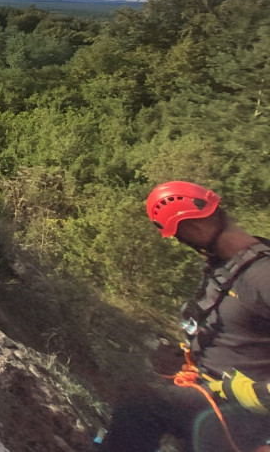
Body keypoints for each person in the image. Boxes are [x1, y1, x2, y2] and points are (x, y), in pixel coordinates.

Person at [99, 181, 270, 452]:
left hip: (245, 413)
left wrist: (261, 395)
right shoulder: (224, 267)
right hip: (211, 396)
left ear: (194, 227)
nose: (183, 240)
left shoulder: (262, 274)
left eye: (181, 234)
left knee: (141, 408)